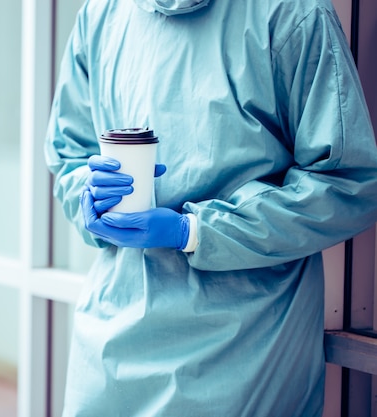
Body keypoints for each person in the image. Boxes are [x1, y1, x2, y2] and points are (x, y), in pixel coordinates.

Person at [44, 0, 377, 415]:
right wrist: (90, 197)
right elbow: (70, 156)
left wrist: (196, 231)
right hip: (109, 353)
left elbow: (346, 184)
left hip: (244, 355)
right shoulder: (101, 14)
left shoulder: (291, 13)